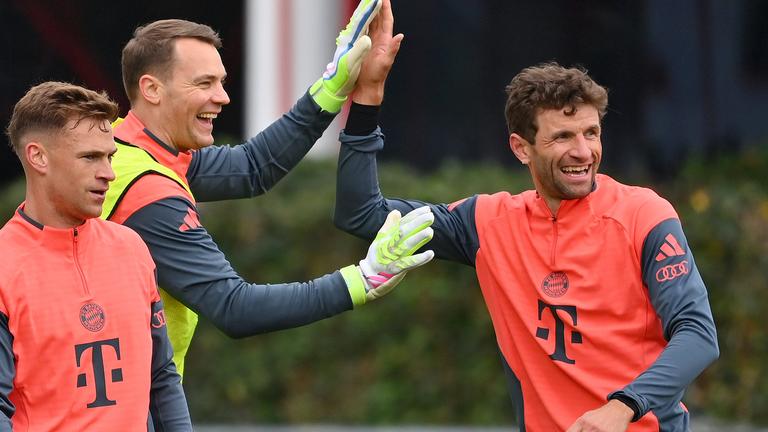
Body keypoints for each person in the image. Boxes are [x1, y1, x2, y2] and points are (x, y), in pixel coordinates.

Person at [334, 3, 719, 429]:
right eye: (563, 137)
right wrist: (367, 96)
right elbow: (362, 214)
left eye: (592, 133)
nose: (583, 152)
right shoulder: (486, 223)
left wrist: (621, 406)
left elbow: (698, 336)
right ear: (521, 148)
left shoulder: (644, 214)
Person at [101, 0, 435, 377]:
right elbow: (235, 307)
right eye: (204, 83)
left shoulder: (122, 148)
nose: (223, 97)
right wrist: (363, 279)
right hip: (128, 403)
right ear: (151, 89)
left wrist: (332, 87)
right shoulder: (150, 193)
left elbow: (253, 168)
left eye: (221, 82)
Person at [0, 82, 191, 430]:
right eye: (90, 157)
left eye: (110, 156)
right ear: (37, 156)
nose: (109, 173)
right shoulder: (5, 266)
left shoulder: (132, 248)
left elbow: (161, 379)